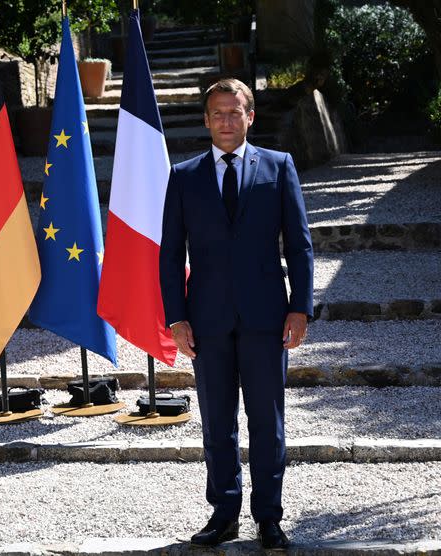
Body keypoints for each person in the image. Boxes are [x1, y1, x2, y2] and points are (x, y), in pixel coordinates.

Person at [159, 78, 313, 550]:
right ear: (206, 121)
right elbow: (169, 254)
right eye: (218, 113)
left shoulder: (278, 166)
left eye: (236, 111)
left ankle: (269, 517)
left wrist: (300, 309)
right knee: (217, 425)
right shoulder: (184, 176)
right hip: (207, 321)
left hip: (267, 318)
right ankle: (223, 513)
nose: (227, 120)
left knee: (268, 423)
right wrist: (176, 317)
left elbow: (300, 245)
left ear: (251, 116)